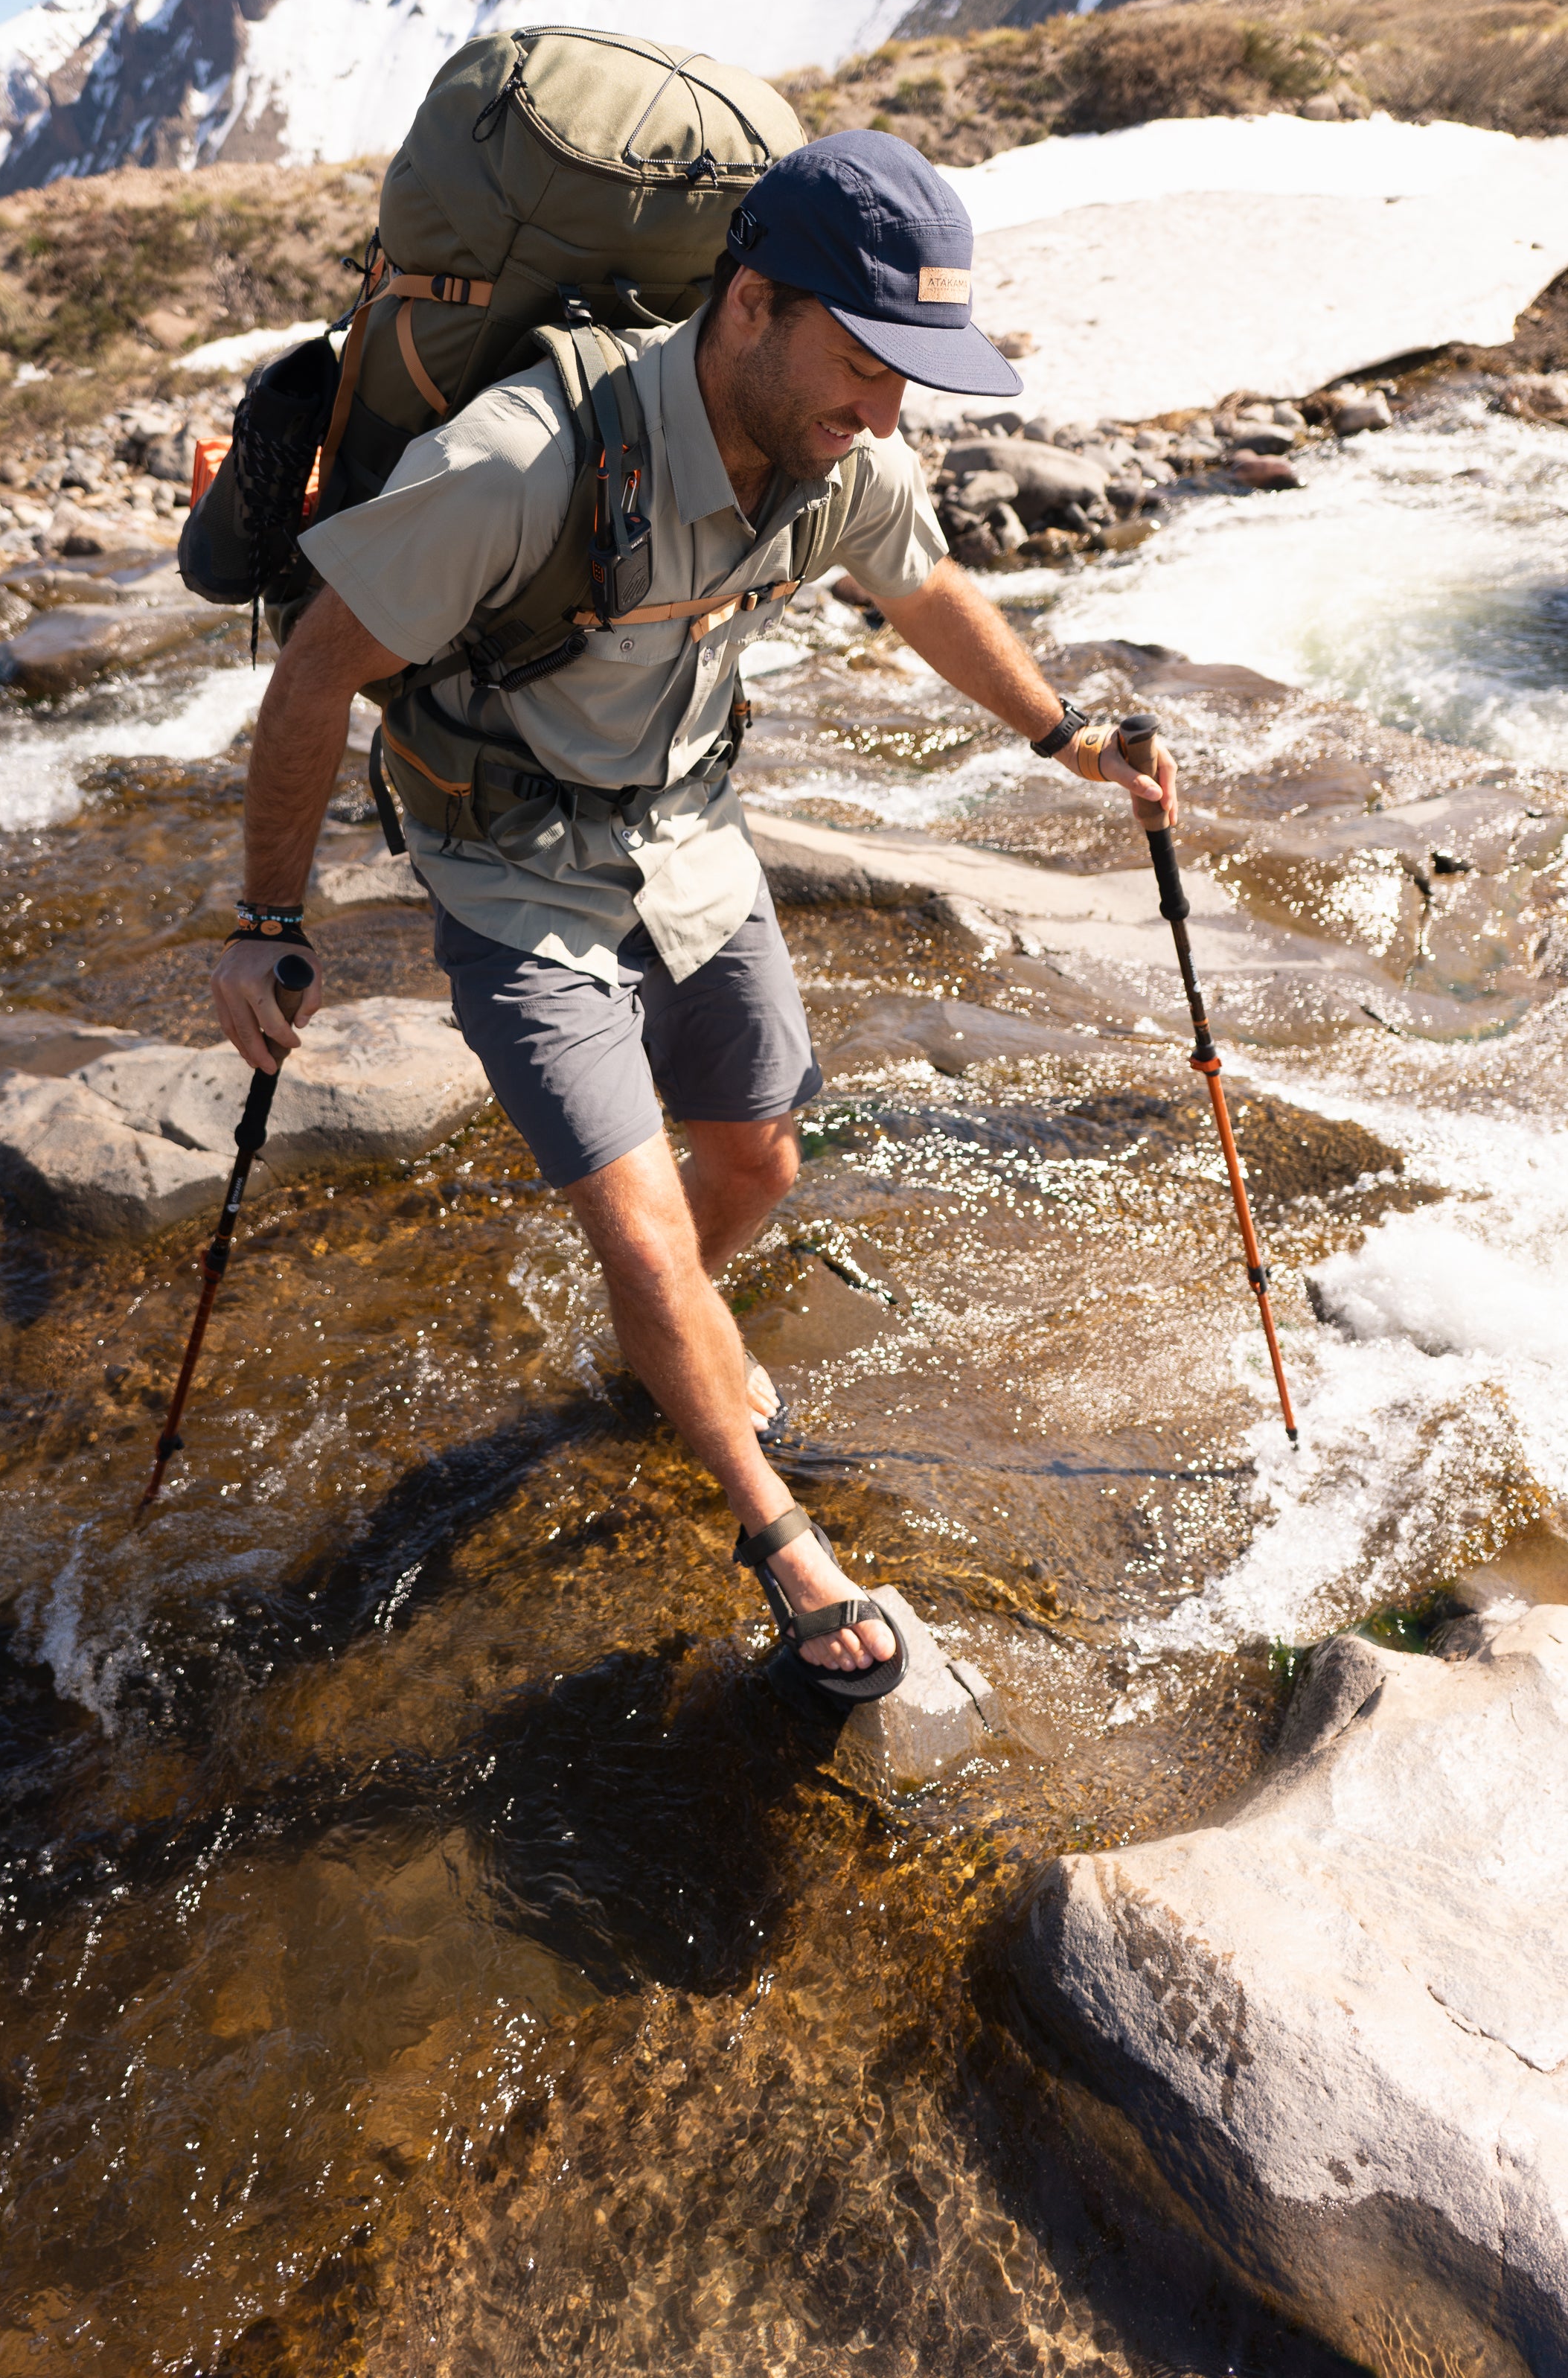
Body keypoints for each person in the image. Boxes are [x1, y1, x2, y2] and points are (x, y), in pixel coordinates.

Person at [212, 131, 1175, 1701]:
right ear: (746, 307)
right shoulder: (523, 460)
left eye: (908, 378)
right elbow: (317, 668)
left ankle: (659, 1350)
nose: (887, 412)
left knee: (755, 1159)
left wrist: (1061, 732)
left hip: (686, 839)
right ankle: (773, 1529)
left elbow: (921, 584)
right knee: (649, 1238)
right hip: (512, 870)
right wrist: (262, 915)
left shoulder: (841, 451)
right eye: (866, 364)